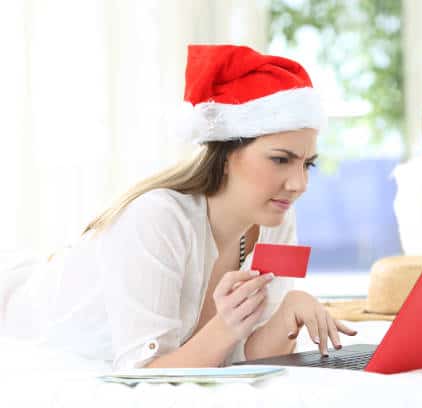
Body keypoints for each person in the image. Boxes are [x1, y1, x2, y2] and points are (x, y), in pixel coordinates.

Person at [0, 44, 357, 370]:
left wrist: (288, 313)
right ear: (227, 155)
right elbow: (144, 372)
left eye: (307, 163)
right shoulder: (157, 219)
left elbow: (247, 351)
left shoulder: (278, 218)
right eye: (281, 159)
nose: (299, 185)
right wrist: (224, 326)